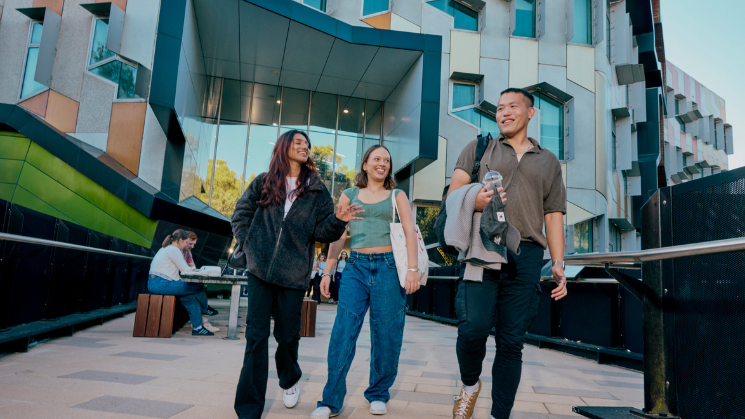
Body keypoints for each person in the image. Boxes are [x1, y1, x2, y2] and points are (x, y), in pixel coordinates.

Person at [447, 88, 568, 419]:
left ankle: (500, 415)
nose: (504, 112)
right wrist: (476, 199)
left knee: (511, 343)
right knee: (472, 328)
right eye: (500, 108)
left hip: (526, 254)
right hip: (482, 249)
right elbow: (452, 195)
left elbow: (553, 214)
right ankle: (470, 385)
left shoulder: (548, 161)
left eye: (513, 106)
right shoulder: (479, 148)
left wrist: (558, 262)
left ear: (530, 113)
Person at [231, 129, 363, 419]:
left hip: (293, 274)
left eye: (307, 144)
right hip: (260, 270)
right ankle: (248, 410)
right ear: (284, 147)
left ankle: (289, 378)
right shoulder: (263, 182)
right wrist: (249, 244)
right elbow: (240, 213)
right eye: (299, 142)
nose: (305, 146)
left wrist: (339, 221)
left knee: (287, 334)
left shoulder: (316, 190)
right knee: (256, 335)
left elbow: (323, 231)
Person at [311, 145, 421, 418]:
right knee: (342, 332)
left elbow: (409, 232)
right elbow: (338, 235)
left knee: (387, 334)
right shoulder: (348, 195)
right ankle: (330, 401)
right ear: (365, 165)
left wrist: (412, 269)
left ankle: (378, 393)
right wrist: (328, 270)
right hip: (356, 269)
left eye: (386, 160)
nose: (382, 163)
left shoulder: (397, 196)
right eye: (376, 159)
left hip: (388, 268)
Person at [148, 229, 218, 336]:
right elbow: (185, 270)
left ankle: (198, 328)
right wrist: (203, 272)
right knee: (199, 285)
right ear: (180, 240)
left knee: (190, 297)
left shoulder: (166, 248)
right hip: (161, 284)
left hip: (158, 283)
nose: (187, 245)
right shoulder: (174, 249)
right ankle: (205, 308)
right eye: (186, 242)